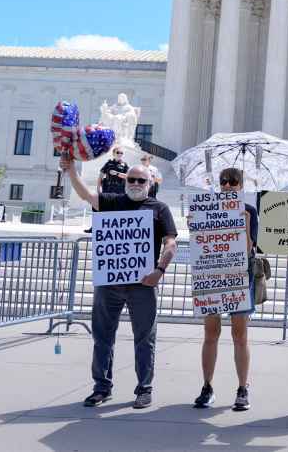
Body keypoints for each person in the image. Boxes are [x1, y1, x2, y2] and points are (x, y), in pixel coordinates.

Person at [61, 152, 177, 410]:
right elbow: (86, 196)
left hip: (143, 284)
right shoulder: (113, 201)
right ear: (126, 182)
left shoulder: (159, 209)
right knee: (102, 337)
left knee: (145, 338)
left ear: (150, 184)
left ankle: (144, 389)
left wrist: (160, 269)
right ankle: (102, 387)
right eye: (132, 180)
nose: (136, 184)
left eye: (141, 181)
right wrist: (71, 171)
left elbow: (171, 242)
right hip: (109, 283)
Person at [194, 168, 258, 410]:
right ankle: (207, 387)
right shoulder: (206, 207)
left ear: (241, 185)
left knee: (240, 335)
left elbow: (250, 248)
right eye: (224, 182)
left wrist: (244, 222)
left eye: (234, 182)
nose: (229, 186)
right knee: (210, 334)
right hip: (212, 275)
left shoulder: (249, 211)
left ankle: (243, 388)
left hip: (240, 277)